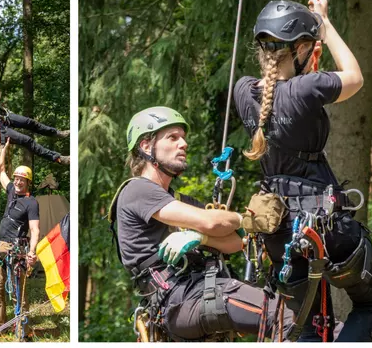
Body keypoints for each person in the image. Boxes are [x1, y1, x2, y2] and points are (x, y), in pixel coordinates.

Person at [232, 0, 372, 341]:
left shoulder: (244, 91)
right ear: (302, 48)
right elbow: (354, 76)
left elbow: (281, 94)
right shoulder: (308, 88)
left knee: (310, 327)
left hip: (278, 231)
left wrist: (309, 47)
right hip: (324, 226)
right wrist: (325, 24)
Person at [109, 106, 293, 341]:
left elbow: (236, 242)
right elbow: (211, 222)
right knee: (288, 320)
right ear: (146, 146)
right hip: (181, 297)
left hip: (193, 296)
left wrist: (202, 238)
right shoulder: (138, 190)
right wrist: (245, 218)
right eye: (173, 138)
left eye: (183, 138)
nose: (183, 144)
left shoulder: (179, 201)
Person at [0, 138, 40, 334]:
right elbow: (0, 171)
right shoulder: (10, 191)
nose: (17, 182)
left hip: (17, 250)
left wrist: (32, 252)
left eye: (21, 180)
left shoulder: (31, 203)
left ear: (28, 182)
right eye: (16, 178)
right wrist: (3, 149)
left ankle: (22, 328)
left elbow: (35, 229)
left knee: (18, 291)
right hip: (0, 247)